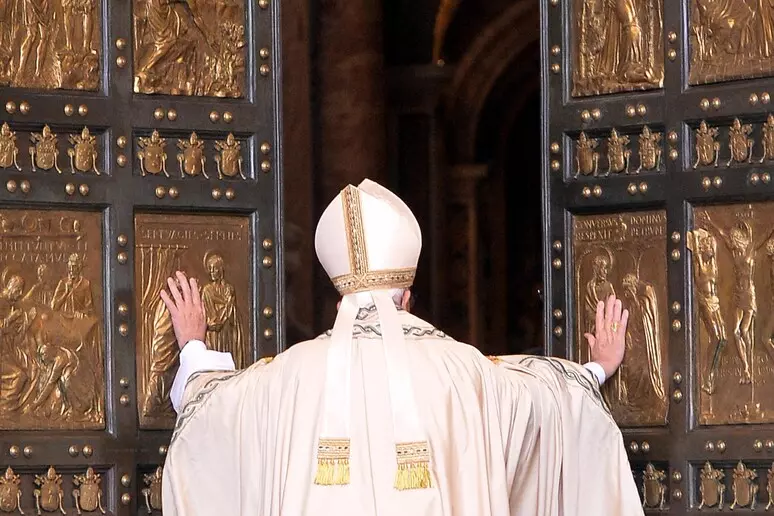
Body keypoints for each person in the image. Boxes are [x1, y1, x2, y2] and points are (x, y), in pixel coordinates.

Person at [160, 179, 642, 515]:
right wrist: (596, 368)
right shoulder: (464, 370)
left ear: (338, 298)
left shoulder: (289, 375)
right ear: (407, 297)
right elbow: (547, 403)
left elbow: (210, 414)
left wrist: (195, 345)